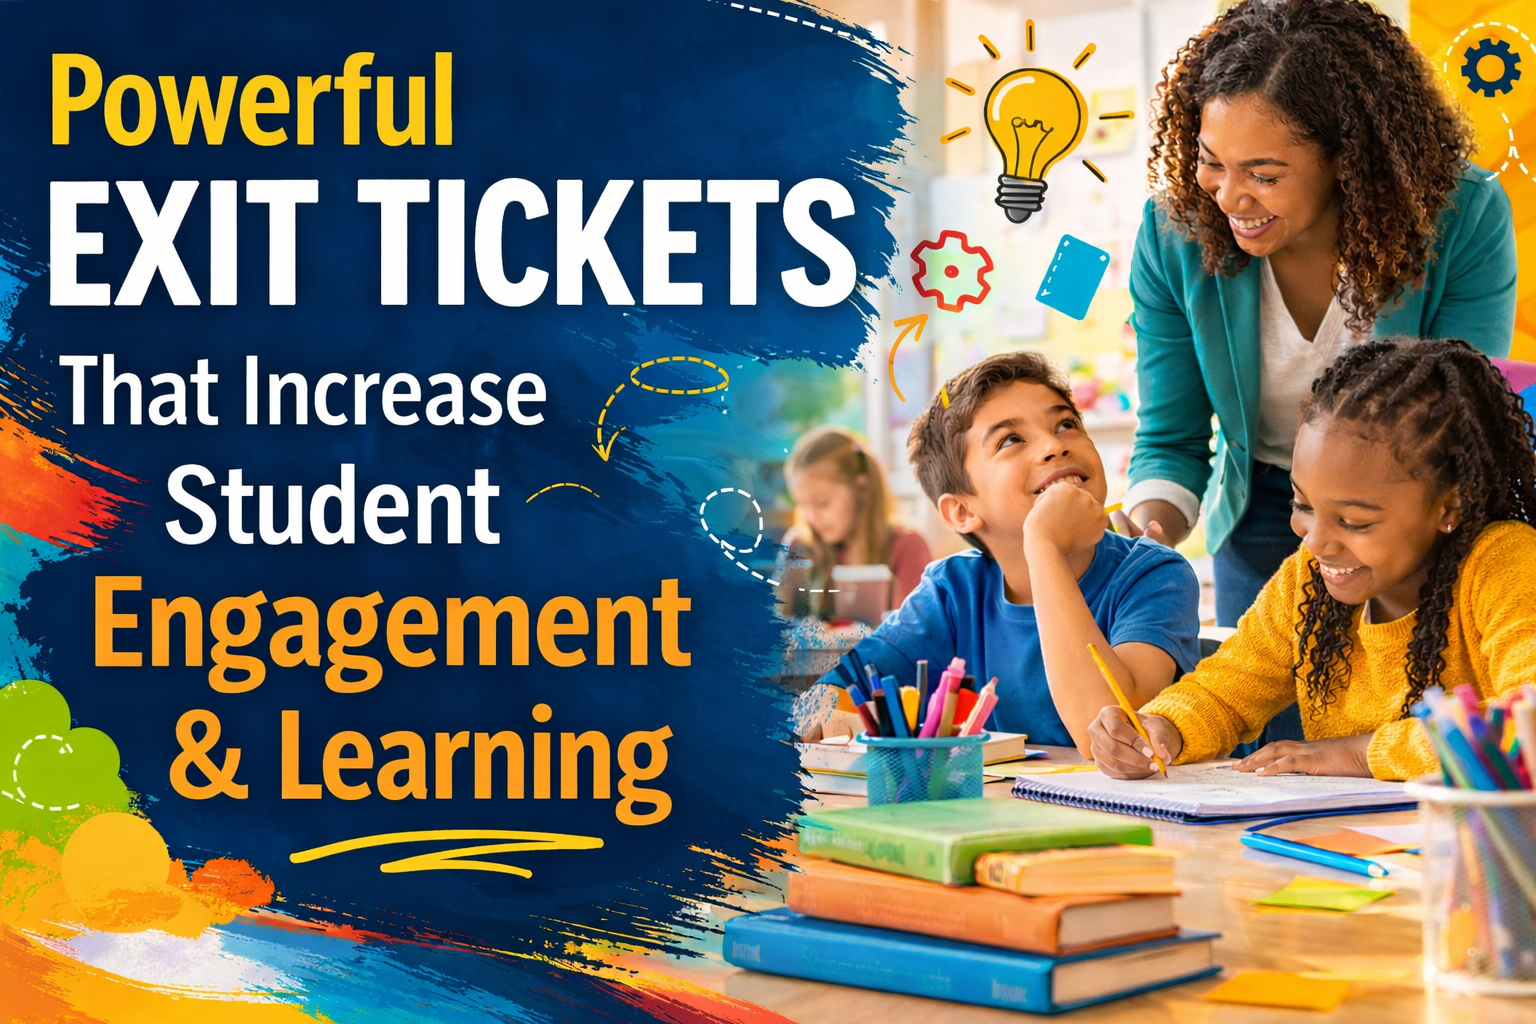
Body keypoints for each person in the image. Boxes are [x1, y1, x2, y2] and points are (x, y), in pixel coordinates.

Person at [1119, 0, 1516, 665]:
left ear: (1346, 158)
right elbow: (1171, 437)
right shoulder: (1173, 236)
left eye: (1264, 175)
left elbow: (1460, 423)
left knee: (1413, 706)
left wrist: (1362, 529)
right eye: (1212, 161)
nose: (1229, 197)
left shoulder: (1460, 216)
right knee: (1267, 711)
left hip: (1409, 508)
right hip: (1261, 506)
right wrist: (1145, 532)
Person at [1090, 340, 1536, 782]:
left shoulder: (1506, 564)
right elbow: (1225, 690)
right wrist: (1162, 728)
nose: (1316, 542)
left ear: (1450, 506)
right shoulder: (1308, 580)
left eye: (1355, 522)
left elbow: (1526, 722)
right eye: (1302, 505)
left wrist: (1359, 755)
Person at [817, 352, 1200, 752]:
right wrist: (825, 708)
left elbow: (1117, 734)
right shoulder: (952, 592)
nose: (1055, 445)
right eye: (1011, 440)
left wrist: (1044, 546)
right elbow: (834, 691)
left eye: (1066, 424)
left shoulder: (1155, 574)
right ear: (962, 511)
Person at [780, 425, 932, 620]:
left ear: (861, 487)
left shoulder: (907, 547)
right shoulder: (798, 546)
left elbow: (920, 630)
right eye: (803, 505)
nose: (811, 517)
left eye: (822, 503)